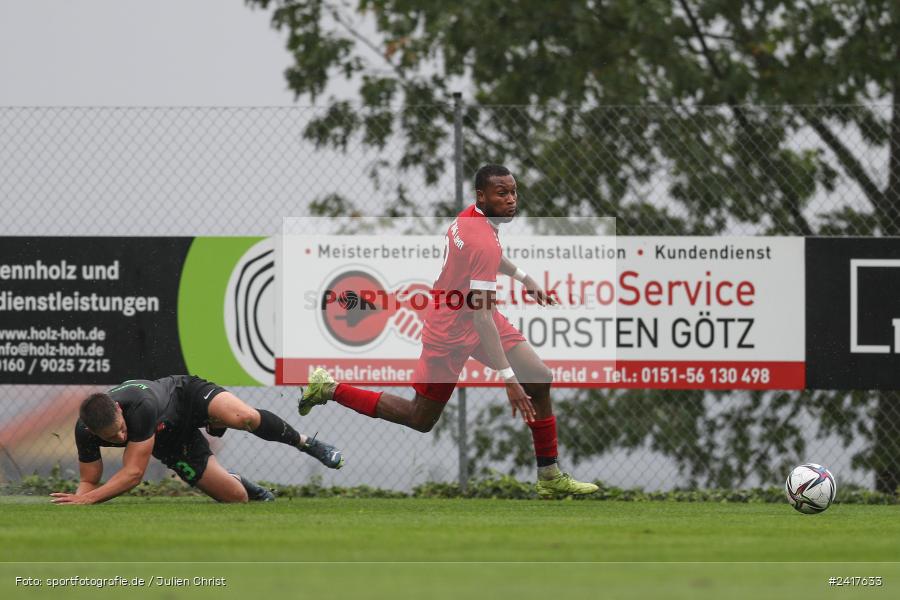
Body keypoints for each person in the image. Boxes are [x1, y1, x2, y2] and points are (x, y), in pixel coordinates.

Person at [299, 164, 598, 498]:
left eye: (514, 192)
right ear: (481, 196)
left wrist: (524, 278)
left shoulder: (473, 217)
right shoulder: (481, 238)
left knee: (540, 378)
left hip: (471, 311)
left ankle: (549, 475)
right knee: (420, 418)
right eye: (502, 193)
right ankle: (328, 387)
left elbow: (488, 263)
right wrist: (509, 379)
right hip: (451, 329)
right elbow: (483, 314)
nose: (511, 200)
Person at [51, 375, 343, 504]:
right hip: (169, 440)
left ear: (118, 409)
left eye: (121, 429)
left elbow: (133, 474)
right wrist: (78, 499)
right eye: (112, 437)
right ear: (91, 432)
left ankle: (307, 443)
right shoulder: (84, 431)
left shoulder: (139, 409)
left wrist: (89, 500)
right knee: (236, 498)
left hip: (186, 397)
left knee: (244, 417)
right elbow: (89, 479)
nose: (120, 436)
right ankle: (240, 481)